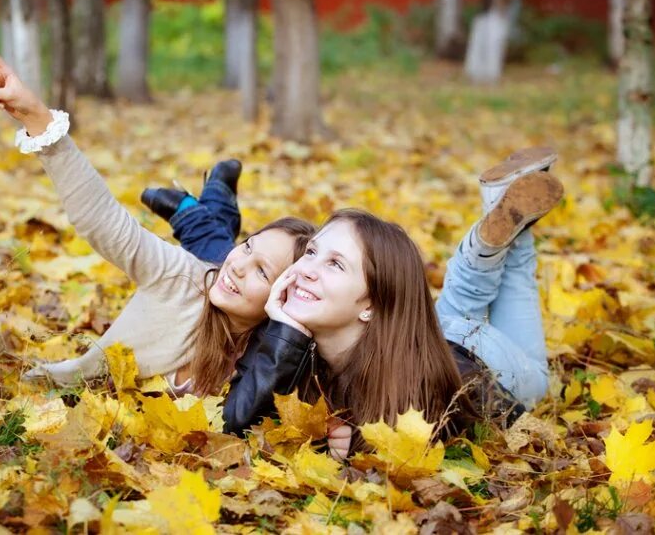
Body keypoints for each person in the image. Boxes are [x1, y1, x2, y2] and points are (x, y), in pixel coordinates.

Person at [0, 32, 315, 395]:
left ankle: (206, 205)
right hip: (202, 271)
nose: (241, 265)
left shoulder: (283, 358)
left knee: (214, 242)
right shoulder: (185, 280)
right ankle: (210, 201)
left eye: (262, 270)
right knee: (214, 253)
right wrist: (38, 118)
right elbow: (103, 221)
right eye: (247, 247)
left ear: (284, 297)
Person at [214, 149, 563, 459]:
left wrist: (363, 447)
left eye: (335, 264)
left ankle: (505, 232)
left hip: (483, 355)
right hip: (422, 330)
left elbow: (523, 429)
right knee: (458, 304)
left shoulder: (439, 386)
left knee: (537, 376)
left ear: (370, 304)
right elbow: (232, 424)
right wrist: (284, 331)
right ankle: (493, 226)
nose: (306, 270)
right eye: (311, 252)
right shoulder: (291, 340)